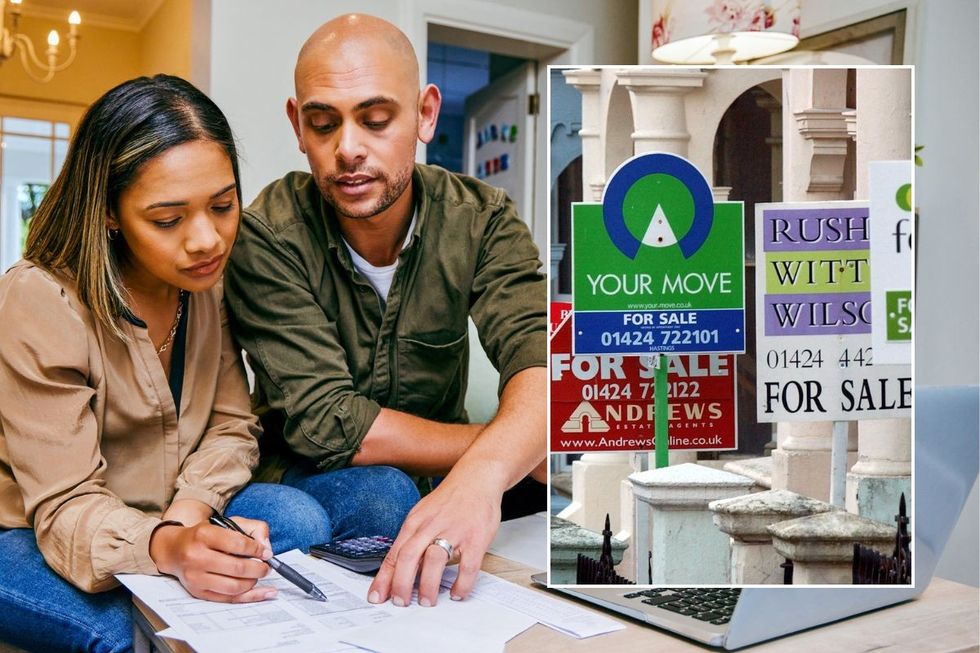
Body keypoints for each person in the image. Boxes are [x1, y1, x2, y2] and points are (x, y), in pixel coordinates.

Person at [223, 13, 547, 609]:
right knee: (383, 495)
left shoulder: (483, 220)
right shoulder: (267, 233)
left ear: (425, 114)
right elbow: (330, 422)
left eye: (375, 120)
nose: (348, 149)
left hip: (435, 486)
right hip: (299, 472)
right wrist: (502, 453)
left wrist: (488, 473)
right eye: (324, 124)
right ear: (298, 125)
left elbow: (541, 365)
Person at [0, 75, 331, 653]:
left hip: (163, 507)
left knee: (301, 521)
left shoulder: (203, 283)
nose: (207, 240)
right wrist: (167, 547)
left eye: (223, 206)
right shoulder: (38, 302)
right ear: (107, 212)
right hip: (34, 529)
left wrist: (186, 517)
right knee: (118, 636)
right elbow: (66, 506)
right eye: (167, 220)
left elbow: (232, 425)